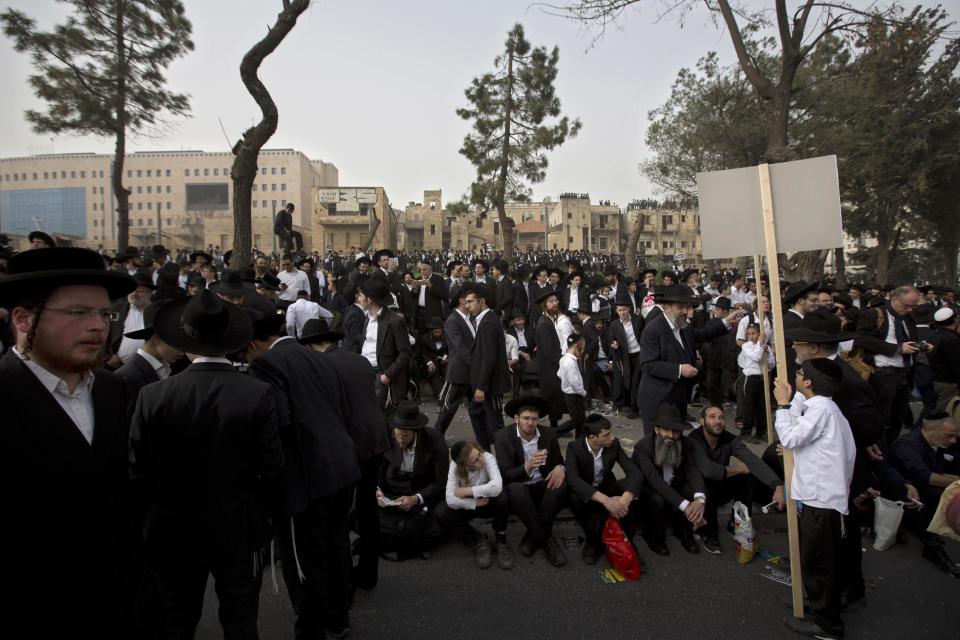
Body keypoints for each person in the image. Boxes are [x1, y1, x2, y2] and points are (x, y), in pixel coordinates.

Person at [130, 290, 284, 639]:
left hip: (174, 526)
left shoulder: (154, 395)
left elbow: (137, 469)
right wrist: (267, 512)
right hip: (238, 524)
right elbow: (272, 466)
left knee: (178, 617)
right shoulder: (255, 393)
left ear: (185, 344)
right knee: (240, 617)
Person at [0, 247, 135, 638]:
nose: (98, 326)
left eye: (104, 314)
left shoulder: (112, 391)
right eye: (79, 313)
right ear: (24, 319)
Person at [244, 309, 361, 639]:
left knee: (306, 561)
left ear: (253, 344)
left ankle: (311, 628)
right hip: (341, 464)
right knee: (336, 546)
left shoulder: (265, 363)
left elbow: (277, 422)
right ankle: (338, 618)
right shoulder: (319, 357)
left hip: (306, 476)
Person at [786, 308, 886, 608]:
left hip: (835, 475)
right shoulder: (819, 373)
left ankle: (844, 591)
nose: (793, 347)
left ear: (814, 348)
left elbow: (868, 424)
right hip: (820, 471)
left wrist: (849, 441)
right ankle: (826, 589)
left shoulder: (844, 380)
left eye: (798, 343)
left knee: (837, 536)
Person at [298, 318, 393, 591]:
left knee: (340, 512)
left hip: (350, 442)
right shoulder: (359, 360)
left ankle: (342, 580)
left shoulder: (321, 365)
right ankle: (368, 573)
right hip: (376, 436)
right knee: (367, 508)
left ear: (313, 345)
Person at [773, 359, 856, 640]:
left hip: (821, 500)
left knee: (819, 563)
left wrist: (783, 405)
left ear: (808, 382)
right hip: (820, 496)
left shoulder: (822, 410)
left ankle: (828, 625)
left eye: (799, 374)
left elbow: (791, 436)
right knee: (815, 560)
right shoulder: (824, 407)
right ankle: (816, 603)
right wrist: (791, 400)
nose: (796, 376)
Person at [637, 284, 741, 437]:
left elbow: (701, 335)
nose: (685, 311)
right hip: (657, 400)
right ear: (667, 307)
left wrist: (725, 322)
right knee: (656, 444)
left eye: (687, 307)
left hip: (678, 397)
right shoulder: (653, 330)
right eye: (681, 307)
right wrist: (679, 369)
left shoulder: (683, 326)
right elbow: (648, 365)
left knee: (675, 441)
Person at [687, 404, 785, 554]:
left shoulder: (729, 439)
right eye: (712, 417)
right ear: (702, 421)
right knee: (711, 482)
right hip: (700, 494)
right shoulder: (694, 439)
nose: (717, 421)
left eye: (721, 418)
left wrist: (777, 485)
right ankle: (709, 532)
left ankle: (737, 523)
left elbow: (753, 461)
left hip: (720, 488)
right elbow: (707, 470)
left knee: (748, 477)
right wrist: (737, 469)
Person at [494, 395, 569, 566]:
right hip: (519, 487)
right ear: (516, 419)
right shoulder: (503, 437)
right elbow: (506, 475)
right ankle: (546, 538)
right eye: (526, 418)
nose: (530, 423)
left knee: (561, 484)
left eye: (534, 419)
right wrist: (527, 466)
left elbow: (559, 461)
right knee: (515, 489)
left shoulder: (549, 434)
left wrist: (560, 468)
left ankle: (533, 537)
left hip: (542, 484)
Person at [888, 415, 960, 577]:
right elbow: (925, 477)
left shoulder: (940, 442)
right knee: (939, 493)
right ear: (930, 430)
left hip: (920, 489)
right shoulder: (907, 445)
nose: (953, 440)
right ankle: (932, 546)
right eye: (949, 436)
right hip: (901, 492)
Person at [566, 414, 643, 564]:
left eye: (611, 432)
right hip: (587, 492)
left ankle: (629, 543)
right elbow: (572, 479)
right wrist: (607, 501)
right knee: (574, 498)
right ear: (593, 437)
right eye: (606, 434)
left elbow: (634, 472)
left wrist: (625, 498)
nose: (612, 437)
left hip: (607, 486)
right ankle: (592, 541)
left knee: (629, 487)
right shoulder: (574, 448)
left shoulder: (614, 445)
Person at [378, 401, 449, 561]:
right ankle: (411, 543)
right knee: (362, 514)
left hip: (422, 491)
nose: (401, 440)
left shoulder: (435, 442)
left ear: (415, 431)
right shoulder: (386, 437)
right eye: (398, 435)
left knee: (439, 520)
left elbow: (441, 482)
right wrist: (378, 490)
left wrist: (416, 498)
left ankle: (408, 542)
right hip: (392, 491)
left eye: (406, 436)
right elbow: (378, 471)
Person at [632, 405, 707, 556]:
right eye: (666, 430)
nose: (671, 436)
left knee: (690, 490)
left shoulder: (686, 443)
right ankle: (654, 538)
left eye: (676, 431)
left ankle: (684, 532)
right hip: (649, 490)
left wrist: (699, 500)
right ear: (657, 430)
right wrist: (686, 506)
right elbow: (654, 480)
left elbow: (692, 470)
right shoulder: (643, 447)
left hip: (674, 485)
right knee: (658, 499)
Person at [854, 285, 921, 445]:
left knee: (899, 417)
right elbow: (861, 339)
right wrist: (896, 349)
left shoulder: (908, 318)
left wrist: (919, 346)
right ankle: (879, 452)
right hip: (883, 373)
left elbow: (908, 339)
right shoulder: (874, 314)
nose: (910, 310)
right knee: (883, 418)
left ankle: (890, 449)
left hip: (904, 373)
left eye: (913, 306)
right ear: (895, 300)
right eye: (907, 305)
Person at [434, 441, 514, 570]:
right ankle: (478, 541)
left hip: (489, 503)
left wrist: (465, 491)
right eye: (475, 462)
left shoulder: (487, 457)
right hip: (471, 504)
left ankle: (501, 540)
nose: (481, 460)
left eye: (479, 455)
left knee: (502, 497)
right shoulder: (454, 467)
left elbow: (497, 487)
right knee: (441, 511)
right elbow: (450, 499)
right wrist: (474, 502)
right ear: (464, 466)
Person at [115, 302, 183, 419]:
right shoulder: (127, 378)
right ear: (157, 339)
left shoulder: (169, 370)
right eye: (177, 342)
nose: (183, 351)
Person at [467, 283, 511, 450]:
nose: (467, 306)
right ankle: (485, 453)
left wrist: (481, 387)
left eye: (471, 302)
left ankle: (504, 461)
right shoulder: (485, 320)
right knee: (476, 412)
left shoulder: (487, 322)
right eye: (466, 302)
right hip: (486, 384)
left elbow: (489, 358)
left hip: (490, 385)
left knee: (496, 425)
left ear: (482, 301)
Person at [360, 277, 411, 411]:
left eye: (361, 296)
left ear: (369, 300)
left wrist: (387, 375)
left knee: (381, 416)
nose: (358, 299)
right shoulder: (367, 318)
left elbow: (405, 353)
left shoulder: (394, 321)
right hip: (365, 373)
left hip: (381, 376)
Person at [435, 284, 476, 434]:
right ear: (461, 300)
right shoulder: (453, 320)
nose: (472, 302)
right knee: (448, 409)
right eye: (469, 299)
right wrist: (476, 363)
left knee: (479, 406)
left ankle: (487, 436)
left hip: (471, 372)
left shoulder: (469, 319)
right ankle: (436, 436)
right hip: (459, 372)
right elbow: (460, 348)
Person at [535, 288, 572, 430]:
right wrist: (563, 363)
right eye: (551, 301)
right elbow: (550, 350)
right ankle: (554, 430)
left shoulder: (549, 320)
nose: (555, 303)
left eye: (556, 300)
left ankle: (554, 428)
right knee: (553, 399)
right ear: (545, 305)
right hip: (549, 369)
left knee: (555, 400)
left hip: (552, 367)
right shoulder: (543, 323)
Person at [737, 323, 776, 443]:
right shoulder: (747, 346)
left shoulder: (766, 347)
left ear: (759, 334)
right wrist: (760, 344)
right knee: (748, 406)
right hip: (750, 378)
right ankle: (746, 432)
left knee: (762, 406)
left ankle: (761, 431)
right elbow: (756, 357)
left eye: (753, 333)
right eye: (748, 334)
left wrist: (768, 354)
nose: (751, 336)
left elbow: (771, 364)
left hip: (762, 377)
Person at [608, 292, 644, 418]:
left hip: (639, 354)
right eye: (619, 310)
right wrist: (615, 347)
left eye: (624, 309)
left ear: (629, 309)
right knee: (626, 380)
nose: (622, 313)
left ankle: (634, 408)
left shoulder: (638, 320)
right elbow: (611, 340)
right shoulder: (614, 325)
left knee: (636, 381)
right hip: (625, 356)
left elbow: (645, 335)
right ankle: (627, 403)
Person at [781, 280, 819, 380]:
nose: (816, 304)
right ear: (801, 301)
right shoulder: (793, 322)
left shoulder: (799, 320)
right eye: (813, 300)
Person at [557, 333, 588, 438]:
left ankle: (580, 441)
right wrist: (583, 392)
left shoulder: (563, 359)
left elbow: (559, 374)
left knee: (580, 421)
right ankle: (553, 433)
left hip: (568, 394)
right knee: (576, 421)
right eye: (582, 347)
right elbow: (574, 381)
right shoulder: (571, 362)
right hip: (574, 395)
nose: (583, 350)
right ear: (576, 346)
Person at [929, 307, 959, 412]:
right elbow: (956, 364)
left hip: (936, 379)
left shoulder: (935, 336)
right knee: (946, 411)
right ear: (955, 320)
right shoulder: (951, 339)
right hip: (949, 383)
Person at [413, 258, 446, 335]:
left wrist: (430, 286)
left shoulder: (438, 279)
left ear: (430, 270)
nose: (422, 271)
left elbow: (443, 295)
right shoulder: (418, 279)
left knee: (432, 336)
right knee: (421, 335)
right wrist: (413, 289)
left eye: (425, 269)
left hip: (433, 313)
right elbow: (413, 295)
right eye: (421, 269)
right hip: (420, 312)